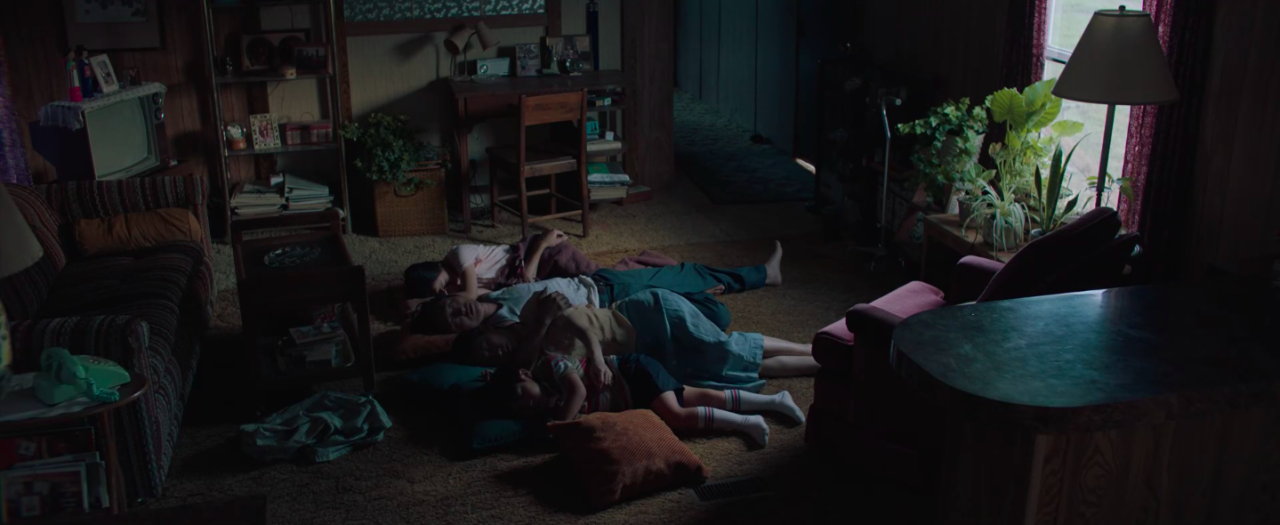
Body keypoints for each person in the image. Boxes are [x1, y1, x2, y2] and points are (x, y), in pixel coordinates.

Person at [452, 289, 820, 392]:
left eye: (487, 344)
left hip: (646, 315)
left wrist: (596, 360)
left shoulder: (532, 309)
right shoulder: (527, 366)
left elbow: (583, 327)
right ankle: (820, 363)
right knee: (723, 373)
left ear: (489, 329)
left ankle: (812, 348)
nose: (494, 351)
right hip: (647, 352)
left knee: (725, 349)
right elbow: (524, 364)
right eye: (488, 358)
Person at [411, 242, 785, 334]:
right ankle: (760, 277)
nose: (461, 310)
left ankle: (762, 275)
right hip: (613, 305)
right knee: (709, 309)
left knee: (687, 273)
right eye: (454, 320)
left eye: (452, 305)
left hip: (601, 282)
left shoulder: (492, 296)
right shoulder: (504, 328)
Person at [483, 352, 806, 446]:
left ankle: (748, 422)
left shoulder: (550, 365)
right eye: (519, 408)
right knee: (701, 397)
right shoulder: (548, 410)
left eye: (521, 394)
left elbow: (578, 390)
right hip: (634, 395)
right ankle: (774, 401)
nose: (526, 404)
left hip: (631, 371)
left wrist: (560, 426)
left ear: (525, 374)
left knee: (676, 417)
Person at [403, 229, 682, 302]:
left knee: (603, 277)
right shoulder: (457, 287)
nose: (449, 290)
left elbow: (469, 295)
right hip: (533, 274)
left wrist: (423, 304)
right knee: (598, 289)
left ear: (437, 267)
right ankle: (657, 276)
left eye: (443, 284)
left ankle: (661, 268)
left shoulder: (458, 254)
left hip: (544, 254)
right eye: (442, 292)